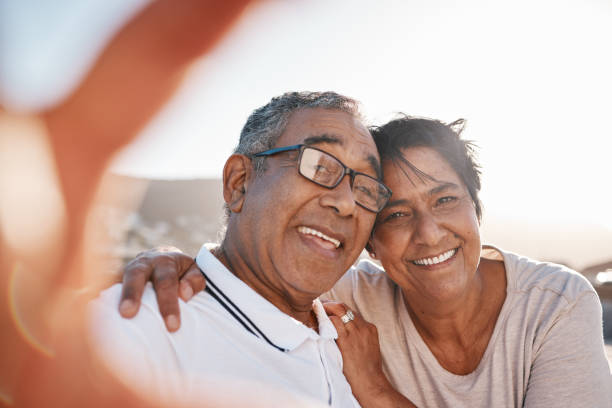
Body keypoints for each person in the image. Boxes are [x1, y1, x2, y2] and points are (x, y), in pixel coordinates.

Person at [118, 116, 612, 407]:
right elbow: (253, 271)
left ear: (477, 210)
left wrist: (378, 392)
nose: (428, 234)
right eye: (396, 214)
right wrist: (168, 261)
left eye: (446, 201)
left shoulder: (556, 305)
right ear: (369, 244)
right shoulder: (347, 297)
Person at [88, 91, 414, 407]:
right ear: (239, 182)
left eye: (366, 188)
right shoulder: (141, 330)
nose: (346, 202)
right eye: (318, 167)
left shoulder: (352, 343)